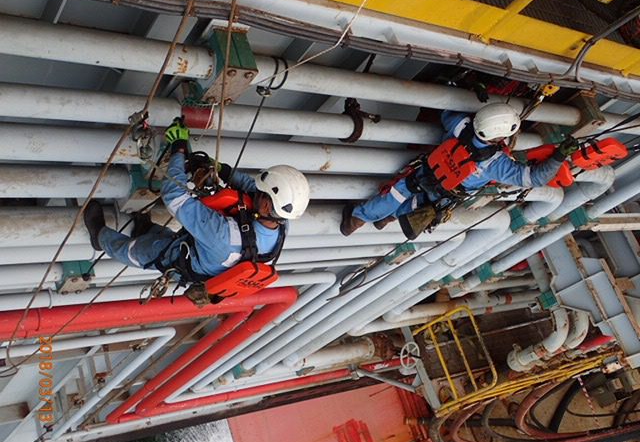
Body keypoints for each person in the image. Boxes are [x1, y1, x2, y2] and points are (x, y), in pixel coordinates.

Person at [83, 118, 310, 286]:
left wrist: (178, 148)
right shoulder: (281, 223)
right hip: (208, 250)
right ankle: (145, 228)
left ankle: (99, 237)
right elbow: (250, 188)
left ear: (268, 205)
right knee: (169, 235)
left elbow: (174, 195)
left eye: (261, 193)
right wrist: (221, 169)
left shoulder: (223, 235)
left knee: (140, 251)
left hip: (184, 261)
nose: (256, 190)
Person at [340, 103, 579, 239]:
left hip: (425, 172)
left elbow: (446, 109)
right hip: (445, 193)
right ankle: (370, 220)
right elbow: (535, 178)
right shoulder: (496, 164)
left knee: (397, 192)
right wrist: (559, 156)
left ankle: (362, 218)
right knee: (418, 204)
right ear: (499, 136)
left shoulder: (460, 125)